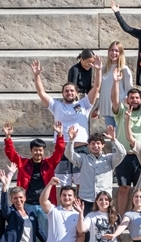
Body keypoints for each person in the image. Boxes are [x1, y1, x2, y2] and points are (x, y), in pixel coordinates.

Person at [3, 121, 64, 242]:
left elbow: (59, 152)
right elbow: (11, 154)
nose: (38, 153)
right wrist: (8, 137)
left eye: (41, 150)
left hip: (45, 206)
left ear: (44, 151)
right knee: (31, 238)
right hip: (28, 206)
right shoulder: (23, 164)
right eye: (36, 150)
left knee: (51, 235)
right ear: (31, 151)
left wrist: (60, 135)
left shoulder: (49, 163)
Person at [31, 57, 101, 189]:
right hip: (62, 150)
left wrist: (98, 71)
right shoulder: (56, 105)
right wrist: (36, 76)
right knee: (63, 186)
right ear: (63, 93)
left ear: (76, 93)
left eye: (71, 91)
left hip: (81, 150)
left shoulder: (84, 104)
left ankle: (82, 209)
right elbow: (41, 93)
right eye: (66, 91)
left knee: (82, 185)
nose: (69, 93)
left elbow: (96, 88)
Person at [65, 125, 126, 242]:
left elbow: (123, 153)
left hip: (105, 203)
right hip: (87, 200)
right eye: (93, 143)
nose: (95, 146)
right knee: (86, 233)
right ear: (89, 145)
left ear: (102, 145)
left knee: (109, 230)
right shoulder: (84, 159)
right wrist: (71, 140)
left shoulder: (109, 159)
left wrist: (114, 139)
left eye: (98, 143)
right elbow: (69, 155)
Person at [111, 68, 141, 215]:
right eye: (131, 98)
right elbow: (114, 99)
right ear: (127, 100)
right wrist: (116, 81)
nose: (134, 100)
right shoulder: (121, 112)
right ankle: (120, 217)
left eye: (137, 98)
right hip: (124, 155)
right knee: (123, 188)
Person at [96, 40, 133, 128]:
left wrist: (127, 101)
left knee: (119, 135)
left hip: (119, 107)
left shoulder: (124, 69)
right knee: (111, 135)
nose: (114, 53)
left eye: (116, 51)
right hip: (106, 107)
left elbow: (129, 88)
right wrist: (97, 107)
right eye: (112, 50)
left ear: (120, 53)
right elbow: (100, 90)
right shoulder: (104, 69)